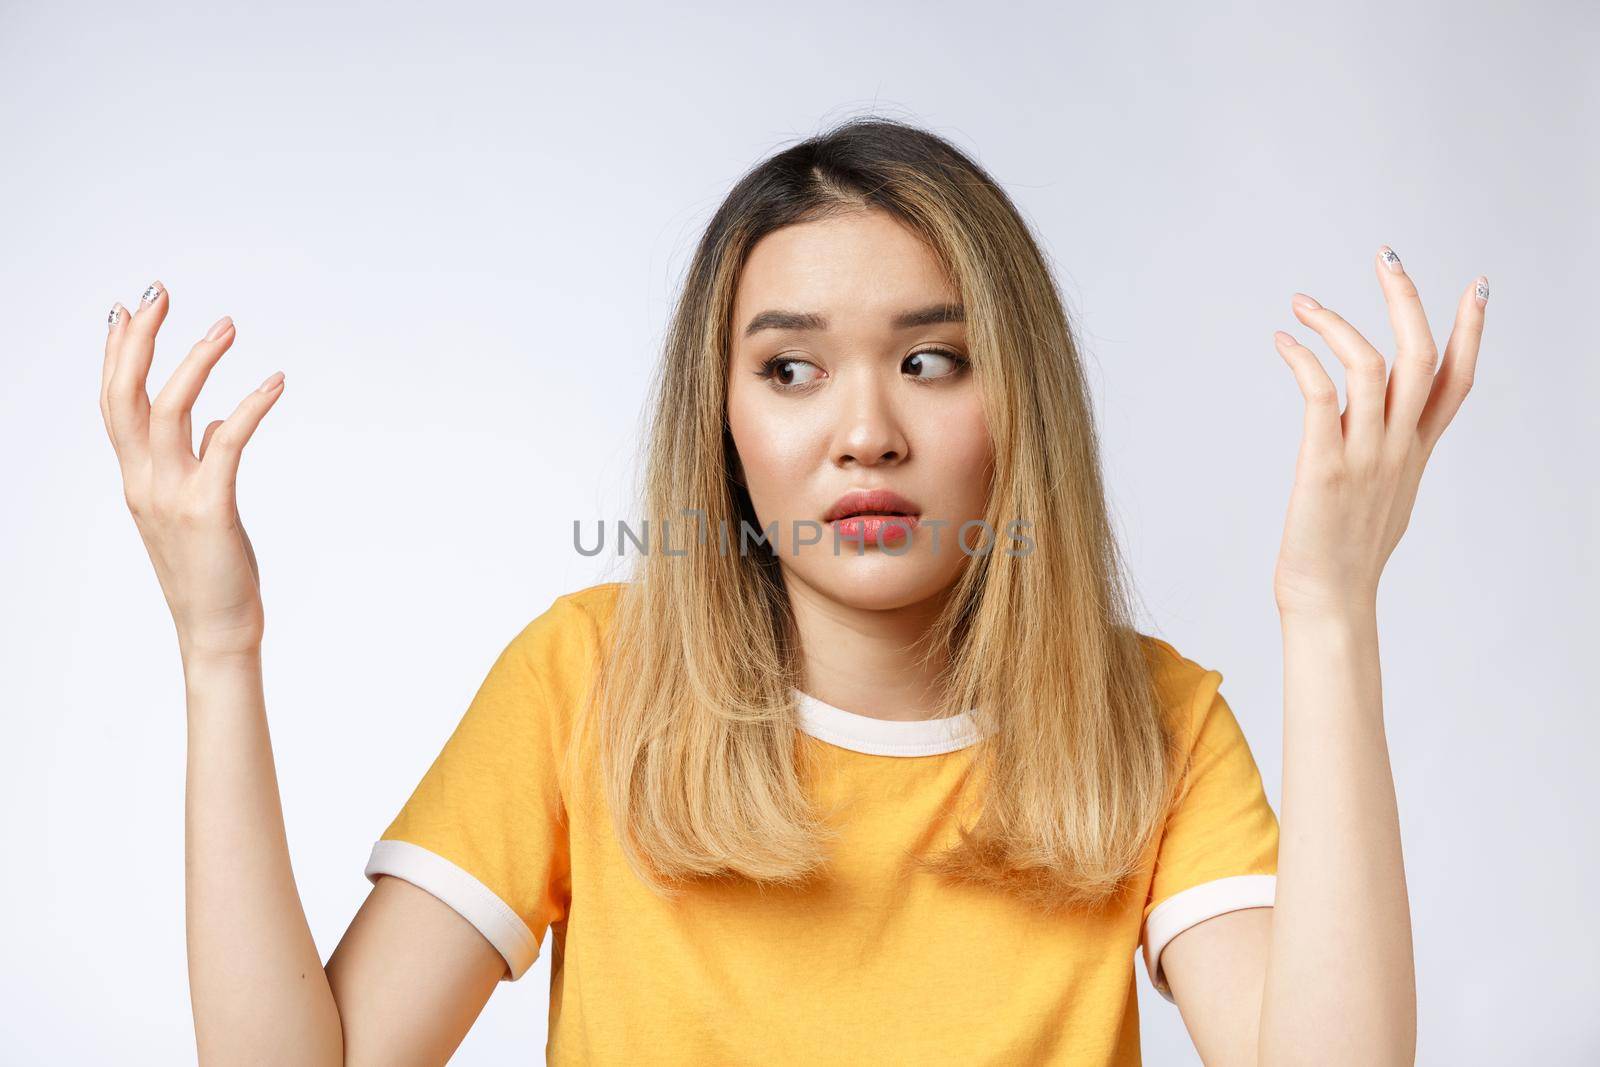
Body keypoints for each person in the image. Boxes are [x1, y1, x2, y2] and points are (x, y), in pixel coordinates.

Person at [99, 117, 1485, 1065]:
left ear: (1025, 405)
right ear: (723, 421)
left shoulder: (1155, 721)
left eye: (932, 361)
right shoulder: (591, 676)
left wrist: (1333, 608)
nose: (864, 431)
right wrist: (217, 649)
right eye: (790, 369)